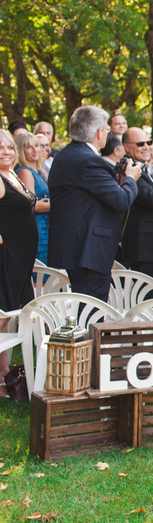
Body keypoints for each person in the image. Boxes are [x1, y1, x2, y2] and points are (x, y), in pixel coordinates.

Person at [48, 106, 140, 301]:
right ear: (99, 133)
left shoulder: (65, 155)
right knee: (92, 308)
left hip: (76, 245)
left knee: (85, 305)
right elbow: (121, 200)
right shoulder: (89, 161)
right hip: (88, 249)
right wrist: (131, 179)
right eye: (107, 129)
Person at [0, 129, 39, 385]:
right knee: (2, 316)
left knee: (8, 316)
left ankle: (4, 374)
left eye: (9, 148)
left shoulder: (12, 174)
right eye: (0, 149)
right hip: (7, 255)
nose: (6, 153)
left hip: (22, 257)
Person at [120, 128, 153, 280]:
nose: (146, 147)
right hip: (143, 248)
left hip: (150, 247)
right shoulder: (129, 169)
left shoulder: (142, 167)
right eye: (140, 144)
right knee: (146, 299)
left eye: (149, 143)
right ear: (126, 147)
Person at [14, 131, 51, 264]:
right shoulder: (25, 171)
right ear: (20, 151)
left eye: (37, 145)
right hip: (38, 226)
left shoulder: (40, 170)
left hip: (47, 224)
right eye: (29, 147)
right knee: (41, 273)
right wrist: (57, 205)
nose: (35, 150)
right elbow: (32, 204)